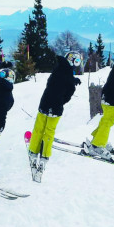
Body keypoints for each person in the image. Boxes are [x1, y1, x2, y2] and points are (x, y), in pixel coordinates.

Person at [28, 50, 83, 178]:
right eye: (76, 61)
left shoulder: (57, 69)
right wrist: (61, 100)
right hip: (56, 108)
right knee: (49, 132)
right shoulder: (69, 75)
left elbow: (53, 83)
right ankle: (44, 156)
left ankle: (33, 150)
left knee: (38, 129)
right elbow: (68, 94)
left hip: (45, 103)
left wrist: (72, 80)